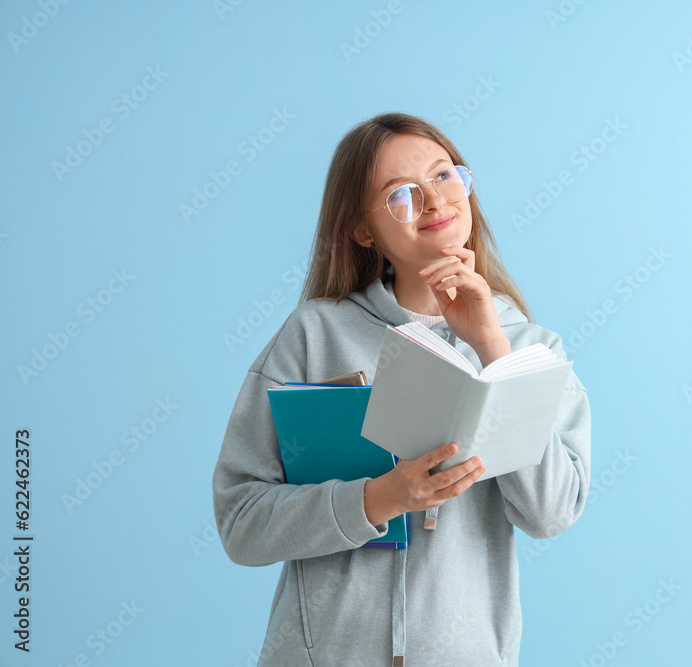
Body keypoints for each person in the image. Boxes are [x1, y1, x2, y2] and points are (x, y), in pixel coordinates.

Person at [212, 111, 591, 666]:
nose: (436, 202)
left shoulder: (533, 349)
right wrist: (379, 499)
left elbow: (550, 513)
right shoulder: (314, 335)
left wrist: (492, 349)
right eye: (402, 194)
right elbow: (242, 524)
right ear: (363, 230)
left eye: (444, 176)